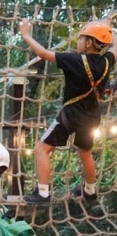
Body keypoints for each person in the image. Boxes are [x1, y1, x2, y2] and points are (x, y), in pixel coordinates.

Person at [19, 19, 116, 204]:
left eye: (81, 39)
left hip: (70, 116)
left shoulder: (74, 60)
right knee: (85, 153)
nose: (77, 43)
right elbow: (116, 46)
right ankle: (89, 190)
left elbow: (42, 53)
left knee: (41, 149)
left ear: (88, 43)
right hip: (92, 118)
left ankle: (43, 193)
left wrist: (26, 35)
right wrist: (110, 29)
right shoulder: (107, 61)